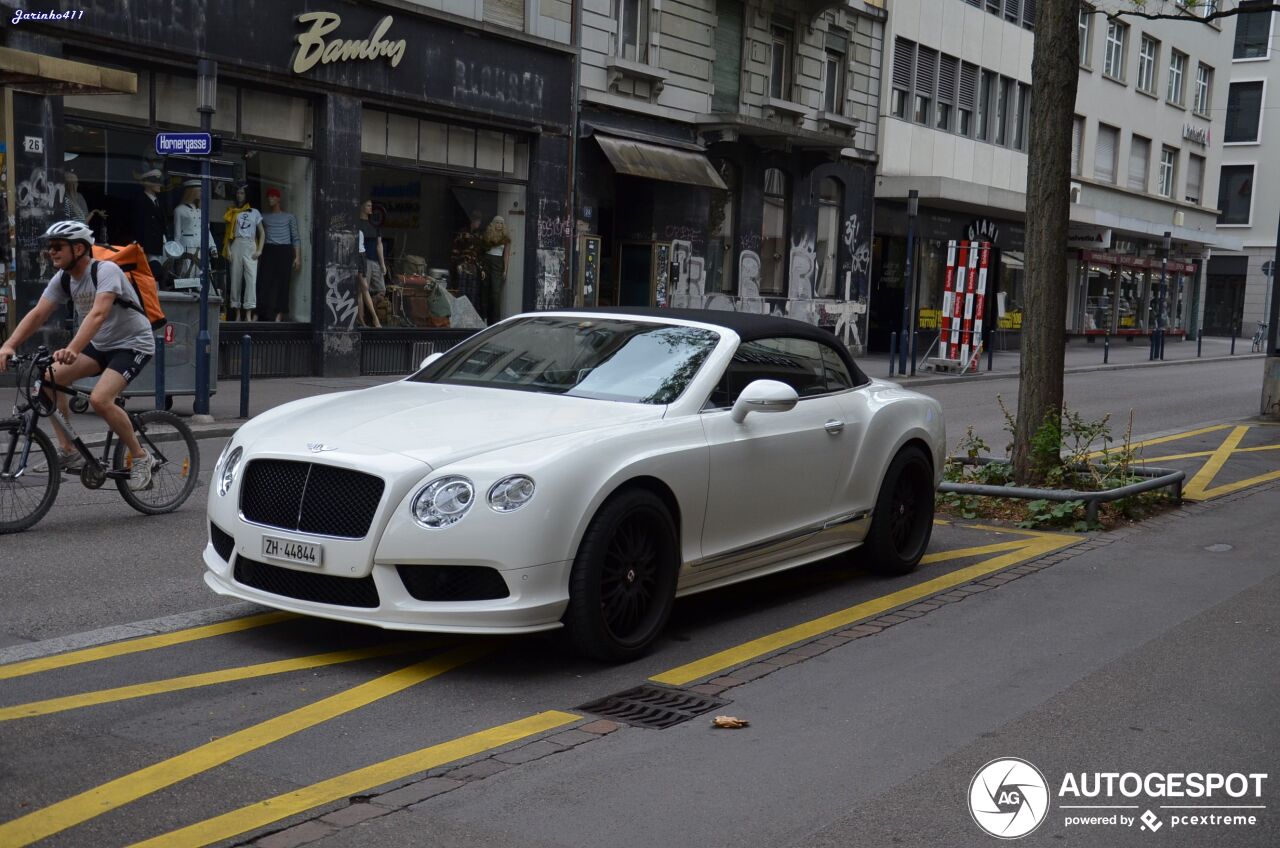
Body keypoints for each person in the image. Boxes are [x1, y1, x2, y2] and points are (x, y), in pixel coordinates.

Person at [0, 221, 156, 491]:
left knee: (100, 399)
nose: (52, 252)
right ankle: (68, 449)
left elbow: (98, 313)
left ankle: (141, 457)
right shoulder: (63, 278)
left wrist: (73, 349)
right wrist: (8, 344)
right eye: (50, 247)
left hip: (133, 344)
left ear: (79, 248)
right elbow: (39, 313)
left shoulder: (107, 271)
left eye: (58, 246)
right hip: (101, 345)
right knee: (48, 380)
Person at [223, 184, 265, 322]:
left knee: (251, 280)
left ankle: (248, 311)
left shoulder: (255, 212)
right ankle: (237, 312)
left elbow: (262, 232)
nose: (239, 195)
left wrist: (259, 250)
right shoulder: (233, 212)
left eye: (242, 193)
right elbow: (228, 233)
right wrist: (228, 249)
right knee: (235, 279)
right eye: (238, 193)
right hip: (236, 244)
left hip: (250, 244)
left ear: (247, 195)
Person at [259, 187, 301, 321]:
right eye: (268, 197)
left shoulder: (289, 217)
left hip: (284, 250)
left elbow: (295, 237)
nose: (270, 199)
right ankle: (259, 312)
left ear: (278, 199)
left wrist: (297, 257)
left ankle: (280, 313)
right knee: (264, 282)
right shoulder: (263, 216)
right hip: (269, 249)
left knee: (283, 283)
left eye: (272, 196)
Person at [355, 199, 385, 328]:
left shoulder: (374, 223)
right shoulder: (357, 223)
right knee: (362, 290)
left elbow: (379, 244)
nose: (370, 207)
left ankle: (367, 315)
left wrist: (382, 263)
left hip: (374, 260)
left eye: (371, 205)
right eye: (368, 205)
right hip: (363, 259)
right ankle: (365, 319)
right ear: (362, 207)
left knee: (381, 290)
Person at [130, 168, 168, 269]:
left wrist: (164, 240)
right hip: (147, 246)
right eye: (156, 183)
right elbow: (137, 224)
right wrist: (140, 246)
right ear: (148, 183)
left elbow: (161, 223)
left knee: (160, 275)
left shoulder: (159, 201)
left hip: (159, 245)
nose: (160, 185)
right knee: (150, 274)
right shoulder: (140, 200)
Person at [173, 179, 217, 262]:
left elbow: (206, 231)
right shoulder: (179, 210)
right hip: (187, 247)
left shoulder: (201, 211)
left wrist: (212, 247)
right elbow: (177, 234)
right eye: (200, 191)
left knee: (202, 272)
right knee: (188, 272)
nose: (202, 193)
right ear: (192, 192)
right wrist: (177, 252)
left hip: (201, 246)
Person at [481, 216, 511, 324]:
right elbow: (483, 251)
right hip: (487, 262)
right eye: (497, 223)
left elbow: (506, 255)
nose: (499, 225)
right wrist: (482, 267)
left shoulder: (505, 238)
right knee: (485, 291)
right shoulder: (488, 236)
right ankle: (484, 318)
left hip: (498, 264)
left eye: (501, 223)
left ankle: (495, 321)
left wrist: (505, 270)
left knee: (496, 292)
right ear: (493, 224)